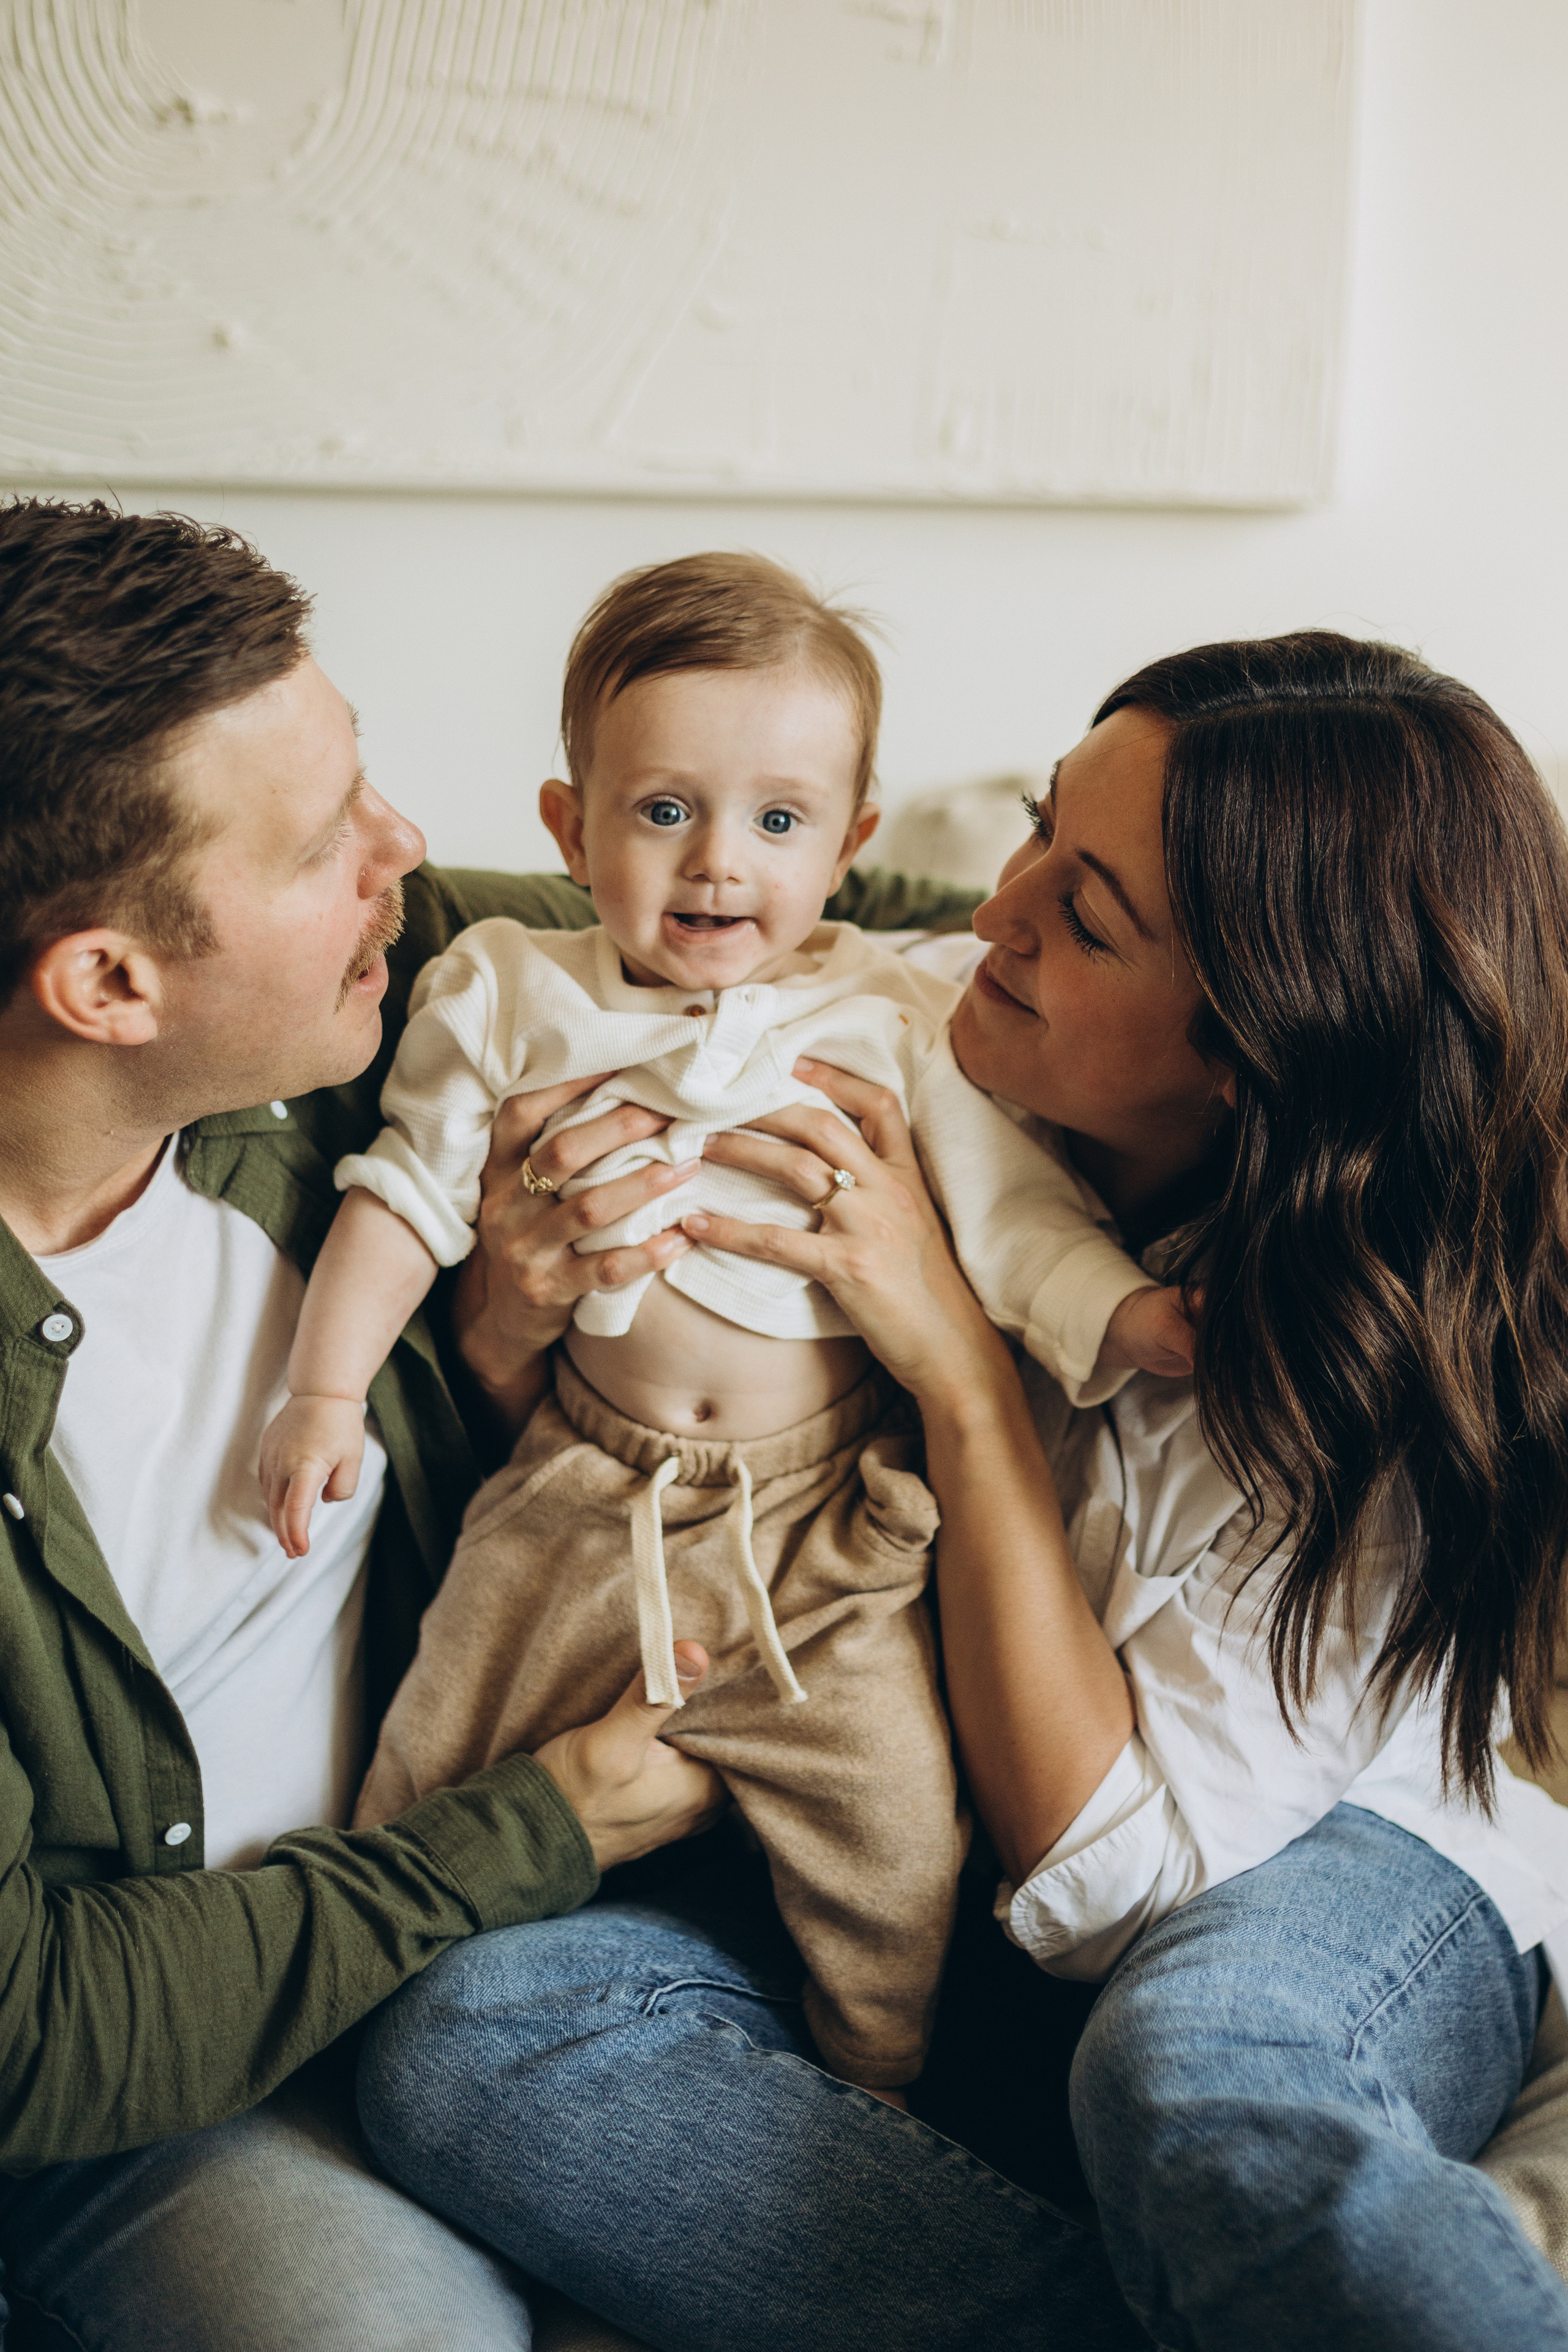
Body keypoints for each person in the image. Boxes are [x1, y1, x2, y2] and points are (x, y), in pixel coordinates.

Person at [358, 633, 1568, 2352]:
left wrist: (963, 1375)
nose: (994, 919)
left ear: (1251, 1044)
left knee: (1197, 2062)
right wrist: (509, 1298)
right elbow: (599, 908)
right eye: (1034, 832)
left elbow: (1124, 1902)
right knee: (474, 2030)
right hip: (931, 1893)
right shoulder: (893, 1020)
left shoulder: (1347, 1354)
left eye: (1085, 918)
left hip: (1315, 1883)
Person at [0, 495, 848, 2350]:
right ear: (109, 983)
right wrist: (529, 1828)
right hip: (104, 2102)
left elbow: (896, 938)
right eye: (325, 841)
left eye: (367, 780)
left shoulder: (352, 1015)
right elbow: (33, 2036)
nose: (407, 848)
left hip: (337, 2012)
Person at [260, 552, 1193, 2098]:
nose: (715, 866)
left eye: (776, 821)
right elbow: (403, 1197)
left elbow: (1010, 1214)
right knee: (421, 1765)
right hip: (572, 1493)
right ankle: (343, 2055)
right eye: (661, 810)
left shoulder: (889, 1008)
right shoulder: (503, 988)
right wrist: (323, 1390)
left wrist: (1129, 1316)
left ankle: (874, 2093)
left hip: (824, 1527)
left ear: (849, 846)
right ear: (569, 825)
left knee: (897, 1836)